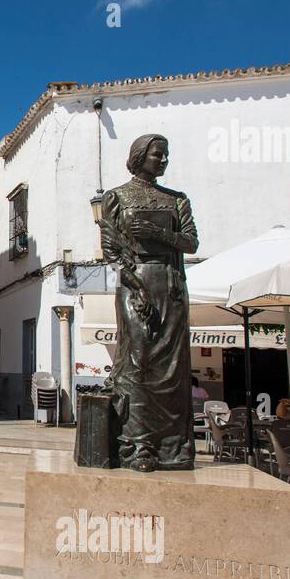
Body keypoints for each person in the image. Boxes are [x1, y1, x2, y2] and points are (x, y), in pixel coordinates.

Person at [98, 134, 199, 472]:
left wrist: (159, 234)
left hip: (170, 287)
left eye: (166, 154)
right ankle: (138, 445)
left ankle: (173, 447)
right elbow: (111, 251)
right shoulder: (116, 197)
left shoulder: (177, 200)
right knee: (138, 361)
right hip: (134, 283)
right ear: (139, 156)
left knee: (173, 367)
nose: (164, 160)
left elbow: (191, 243)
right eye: (158, 154)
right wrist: (136, 286)